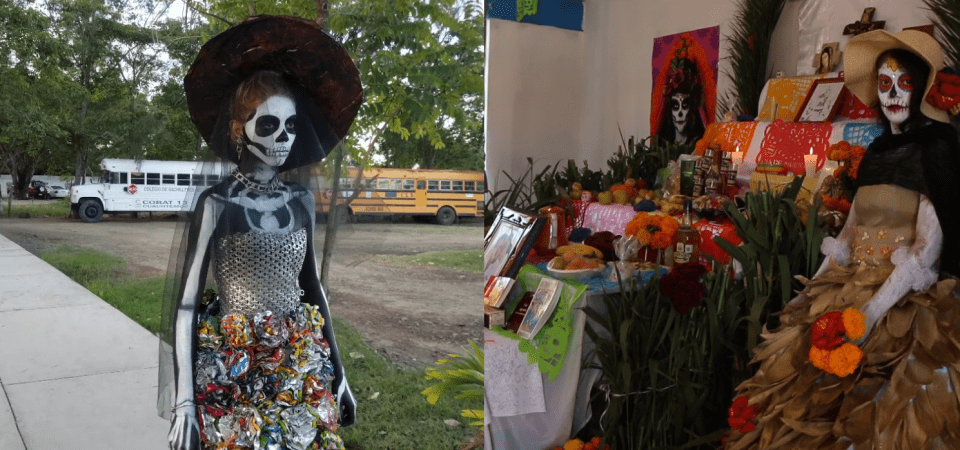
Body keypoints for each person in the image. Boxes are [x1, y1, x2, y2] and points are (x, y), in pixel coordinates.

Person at [723, 30, 960, 449]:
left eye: (904, 83)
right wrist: (809, 291)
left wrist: (869, 314)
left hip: (901, 304)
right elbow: (848, 234)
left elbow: (927, 249)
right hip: (847, 287)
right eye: (884, 84)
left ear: (922, 86)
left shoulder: (938, 149)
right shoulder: (876, 151)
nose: (893, 95)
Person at [157, 16, 363, 450]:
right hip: (234, 362)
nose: (282, 139)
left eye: (289, 127)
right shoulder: (218, 204)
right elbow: (188, 302)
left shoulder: (301, 202)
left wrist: (340, 375)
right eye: (267, 126)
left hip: (297, 357)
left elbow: (313, 289)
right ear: (238, 129)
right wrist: (185, 405)